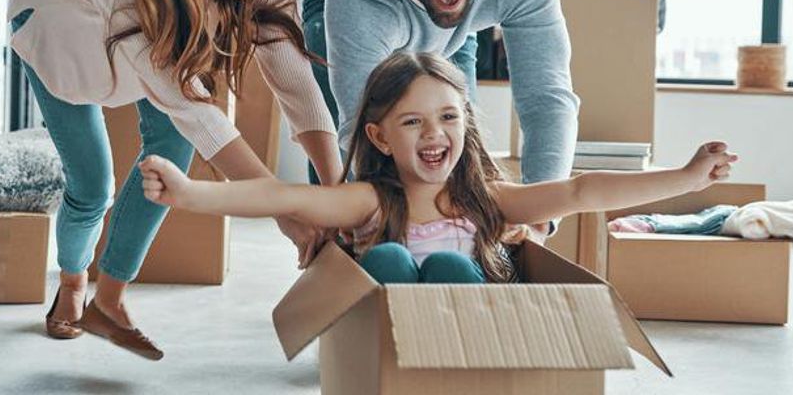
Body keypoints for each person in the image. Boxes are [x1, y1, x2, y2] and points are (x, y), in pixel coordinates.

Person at [6, 0, 342, 359]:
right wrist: (286, 210)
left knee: (171, 156)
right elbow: (197, 111)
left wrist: (334, 194)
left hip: (147, 40)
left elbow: (294, 79)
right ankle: (74, 280)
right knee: (92, 186)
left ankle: (110, 301)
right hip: (58, 36)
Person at [140, 52, 738, 284]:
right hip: (387, 348)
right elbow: (284, 199)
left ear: (465, 123)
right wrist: (192, 194)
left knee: (452, 261)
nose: (435, 135)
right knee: (389, 258)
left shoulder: (489, 201)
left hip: (466, 346)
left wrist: (685, 179)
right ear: (378, 135)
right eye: (413, 122)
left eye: (449, 118)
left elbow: (583, 190)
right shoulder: (371, 199)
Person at [300, 0, 580, 243]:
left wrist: (538, 220)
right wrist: (383, 225)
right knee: (344, 174)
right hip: (335, 3)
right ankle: (332, 253)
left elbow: (547, 97)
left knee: (458, 140)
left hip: (453, 22)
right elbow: (362, 126)